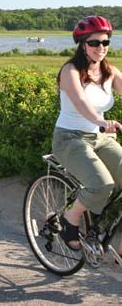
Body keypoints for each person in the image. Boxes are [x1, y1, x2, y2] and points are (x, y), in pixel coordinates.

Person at [52, 15, 122, 254]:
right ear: (82, 44)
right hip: (70, 138)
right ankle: (69, 220)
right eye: (94, 43)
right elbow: (81, 103)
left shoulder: (110, 72)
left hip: (101, 139)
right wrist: (101, 121)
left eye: (105, 42)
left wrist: (102, 128)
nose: (100, 48)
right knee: (102, 184)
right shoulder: (70, 71)